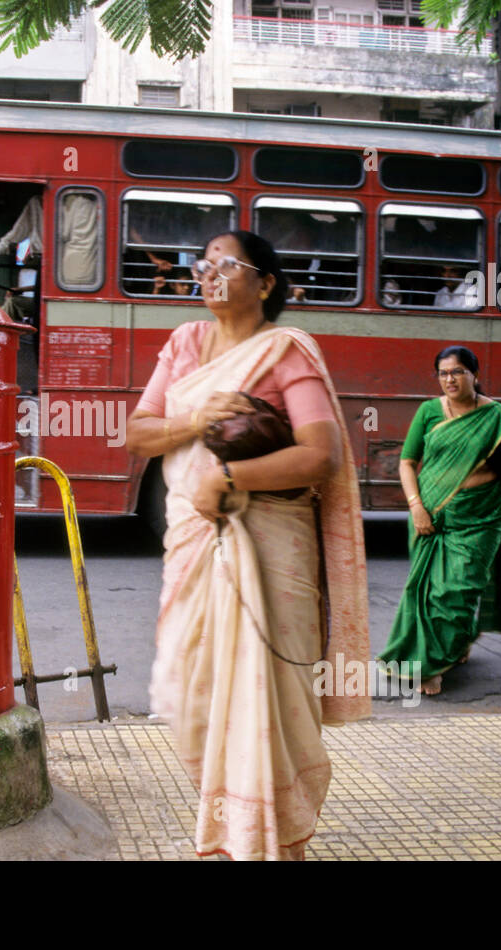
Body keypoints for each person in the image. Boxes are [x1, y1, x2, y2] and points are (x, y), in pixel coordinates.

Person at [124, 230, 370, 860]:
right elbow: (139, 433)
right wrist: (197, 421)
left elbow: (320, 454)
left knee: (268, 702)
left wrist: (230, 477)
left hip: (272, 549)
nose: (208, 273)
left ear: (264, 283)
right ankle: (228, 834)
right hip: (195, 546)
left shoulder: (287, 352)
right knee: (196, 694)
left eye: (225, 265)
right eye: (202, 263)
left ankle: (273, 844)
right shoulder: (183, 344)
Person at [379, 346, 501, 696]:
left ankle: (432, 665)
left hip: (482, 516)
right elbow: (407, 462)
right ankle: (443, 652)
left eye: (458, 372)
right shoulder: (429, 411)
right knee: (428, 593)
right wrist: (416, 506)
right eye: (443, 373)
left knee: (456, 592)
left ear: (475, 375)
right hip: (429, 516)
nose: (450, 379)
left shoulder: (497, 415)